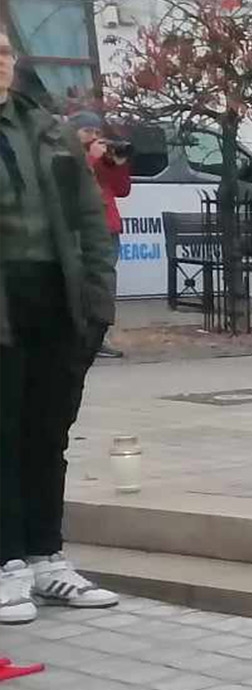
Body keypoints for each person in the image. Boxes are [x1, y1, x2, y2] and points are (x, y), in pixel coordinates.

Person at [1, 31, 126, 624]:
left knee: (46, 434)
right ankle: (6, 566)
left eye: (2, 54)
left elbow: (87, 220)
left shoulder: (48, 129)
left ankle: (46, 559)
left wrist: (99, 303)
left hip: (55, 299)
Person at [71, 113, 127, 360]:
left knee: (105, 284)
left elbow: (122, 189)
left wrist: (117, 163)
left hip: (108, 227)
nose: (94, 135)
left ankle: (100, 335)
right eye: (87, 130)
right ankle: (80, 334)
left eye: (97, 130)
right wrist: (91, 160)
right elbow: (73, 184)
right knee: (81, 284)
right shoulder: (68, 155)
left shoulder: (100, 157)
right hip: (82, 229)